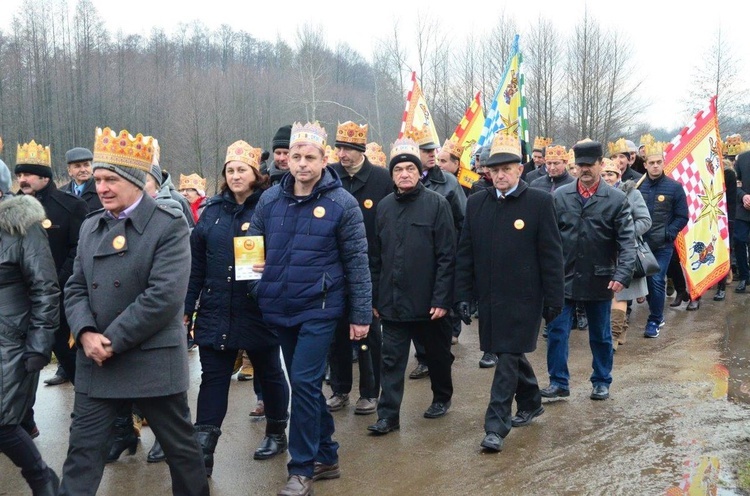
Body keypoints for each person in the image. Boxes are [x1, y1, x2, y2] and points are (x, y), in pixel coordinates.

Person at [58, 127, 209, 496]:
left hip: (150, 359)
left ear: (135, 181)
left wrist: (111, 340)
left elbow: (163, 297)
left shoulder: (168, 225)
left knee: (181, 452)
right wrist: (86, 333)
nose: (102, 188)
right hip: (97, 359)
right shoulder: (92, 226)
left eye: (110, 179)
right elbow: (75, 286)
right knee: (82, 455)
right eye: (97, 180)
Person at [250, 121, 371, 496]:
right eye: (296, 157)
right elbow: (252, 247)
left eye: (310, 158)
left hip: (320, 307)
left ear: (324, 159)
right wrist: (257, 284)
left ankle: (301, 469)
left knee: (302, 382)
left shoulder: (342, 204)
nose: (301, 164)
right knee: (304, 386)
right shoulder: (270, 200)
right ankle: (328, 454)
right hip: (279, 305)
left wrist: (361, 316)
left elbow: (357, 262)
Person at [454, 130, 564, 452]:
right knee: (508, 354)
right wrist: (463, 294)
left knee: (507, 357)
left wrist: (555, 299)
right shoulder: (476, 203)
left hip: (525, 299)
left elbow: (552, 255)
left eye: (507, 168)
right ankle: (531, 400)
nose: (500, 174)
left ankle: (495, 426)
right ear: (487, 171)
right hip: (490, 297)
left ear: (520, 169)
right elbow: (465, 254)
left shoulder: (540, 202)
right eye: (494, 169)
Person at [185, 140, 290, 475]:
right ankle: (203, 450)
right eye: (229, 170)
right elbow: (196, 265)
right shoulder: (212, 212)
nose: (234, 175)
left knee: (269, 371)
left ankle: (276, 430)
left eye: (241, 169)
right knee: (213, 377)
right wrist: (187, 306)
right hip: (217, 307)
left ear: (255, 173)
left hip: (257, 307)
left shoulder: (270, 207)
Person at [368, 138, 455, 435]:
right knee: (391, 361)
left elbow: (447, 255)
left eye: (410, 168)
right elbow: (376, 256)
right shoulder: (384, 208)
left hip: (430, 303)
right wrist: (376, 297)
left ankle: (442, 397)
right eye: (398, 170)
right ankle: (388, 416)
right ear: (392, 175)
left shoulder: (437, 204)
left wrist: (442, 299)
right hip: (393, 302)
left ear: (419, 173)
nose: (404, 174)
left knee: (438, 356)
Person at [541, 140, 636, 401]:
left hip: (600, 276)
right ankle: (558, 381)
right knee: (557, 332)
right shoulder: (560, 196)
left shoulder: (616, 199)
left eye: (589, 165)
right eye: (580, 165)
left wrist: (622, 274)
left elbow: (627, 242)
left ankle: (602, 380)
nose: (584, 170)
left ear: (600, 164)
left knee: (601, 335)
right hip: (564, 276)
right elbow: (548, 238)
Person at [327, 121, 392, 416]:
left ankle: (370, 391)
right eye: (339, 147)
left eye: (348, 149)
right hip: (334, 266)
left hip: (371, 267)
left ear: (361, 150)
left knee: (367, 333)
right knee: (336, 332)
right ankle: (340, 388)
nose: (342, 154)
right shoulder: (329, 177)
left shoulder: (381, 179)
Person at [15, 141, 88, 395]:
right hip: (21, 300)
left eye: (28, 175)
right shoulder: (11, 210)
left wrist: (58, 283)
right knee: (20, 362)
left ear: (44, 177)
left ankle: (95, 410)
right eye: (20, 175)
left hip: (60, 298)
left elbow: (78, 249)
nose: (22, 180)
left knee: (72, 358)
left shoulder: (71, 206)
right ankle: (22, 421)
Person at [0, 193, 60, 495]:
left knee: (2, 420)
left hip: (11, 341)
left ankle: (41, 478)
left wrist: (39, 343)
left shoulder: (22, 226)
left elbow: (46, 288)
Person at [403, 126, 465, 379]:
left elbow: (461, 219)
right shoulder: (400, 181)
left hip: (440, 257)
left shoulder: (447, 182)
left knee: (438, 314)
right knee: (414, 313)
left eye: (434, 150)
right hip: (412, 259)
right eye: (426, 151)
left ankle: (440, 358)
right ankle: (423, 358)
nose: (431, 155)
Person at [638, 138, 689, 337]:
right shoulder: (638, 187)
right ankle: (657, 313)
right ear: (645, 164)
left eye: (658, 162)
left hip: (663, 245)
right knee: (647, 283)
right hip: (641, 245)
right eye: (651, 163)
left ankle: (654, 321)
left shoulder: (674, 187)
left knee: (657, 280)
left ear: (663, 162)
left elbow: (682, 216)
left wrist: (669, 232)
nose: (655, 165)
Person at [600, 159, 652, 350]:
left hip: (626, 251)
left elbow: (646, 221)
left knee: (619, 295)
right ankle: (621, 328)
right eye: (603, 174)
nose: (607, 178)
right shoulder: (596, 195)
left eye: (611, 174)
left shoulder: (632, 194)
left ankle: (613, 337)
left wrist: (625, 233)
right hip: (602, 253)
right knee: (607, 295)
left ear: (618, 176)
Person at [714, 158, 737, 300]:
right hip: (706, 217)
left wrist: (730, 221)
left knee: (722, 251)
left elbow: (732, 201)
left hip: (724, 218)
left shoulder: (728, 174)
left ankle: (721, 286)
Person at [60, 147, 103, 211]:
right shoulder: (61, 193)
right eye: (77, 166)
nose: (83, 170)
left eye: (86, 165)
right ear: (69, 171)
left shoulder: (101, 190)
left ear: (92, 168)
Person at [733, 149, 750, 294]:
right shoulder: (742, 158)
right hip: (743, 209)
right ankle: (744, 276)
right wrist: (743, 196)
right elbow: (735, 184)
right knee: (739, 240)